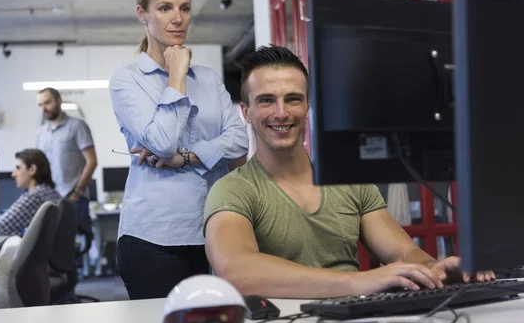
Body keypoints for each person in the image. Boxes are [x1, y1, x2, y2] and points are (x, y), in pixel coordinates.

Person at [203, 45, 495, 299]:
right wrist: (357, 281)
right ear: (246, 112)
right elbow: (236, 270)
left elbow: (403, 253)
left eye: (293, 98)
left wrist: (435, 268)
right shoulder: (233, 190)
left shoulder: (347, 180)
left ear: (307, 106)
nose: (281, 112)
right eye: (266, 100)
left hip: (354, 314)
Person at [109, 0, 249, 299]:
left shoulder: (210, 79)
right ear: (142, 14)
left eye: (184, 8)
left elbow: (240, 140)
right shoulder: (127, 81)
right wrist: (176, 75)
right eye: (164, 8)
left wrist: (182, 157)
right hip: (153, 237)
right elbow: (162, 142)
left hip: (210, 229)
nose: (177, 18)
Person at [36, 87, 97, 232]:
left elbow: (92, 161)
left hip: (73, 199)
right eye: (40, 105)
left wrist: (77, 192)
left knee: (75, 247)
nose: (44, 108)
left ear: (59, 100)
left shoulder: (77, 126)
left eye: (47, 103)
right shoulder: (40, 133)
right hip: (50, 200)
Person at [0, 149, 62, 236]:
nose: (13, 174)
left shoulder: (33, 197)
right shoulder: (51, 193)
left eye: (18, 168)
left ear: (32, 169)